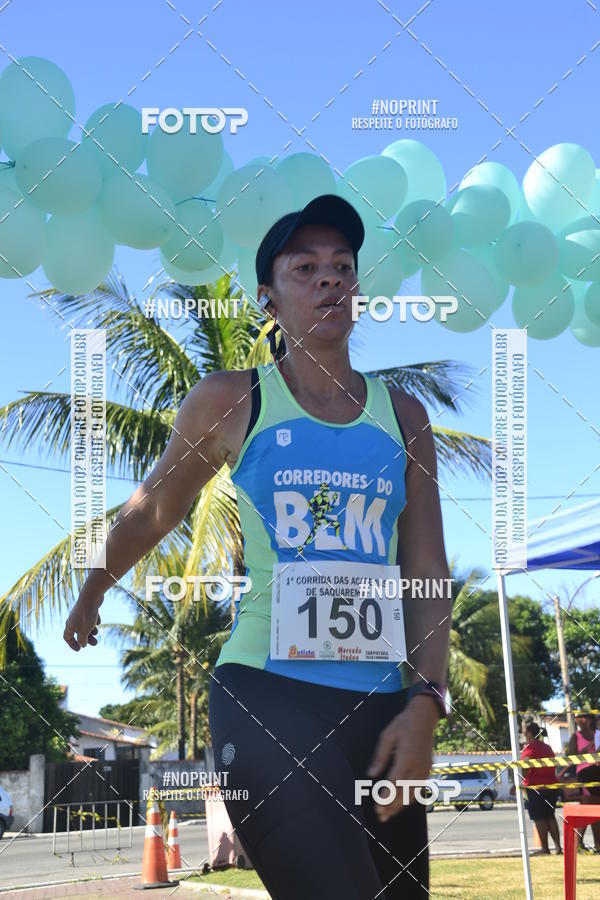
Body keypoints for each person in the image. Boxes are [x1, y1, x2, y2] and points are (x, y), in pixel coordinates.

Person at [63, 194, 452, 899]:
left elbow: (425, 569)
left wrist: (427, 700)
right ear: (269, 300)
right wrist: (95, 584)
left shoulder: (404, 415)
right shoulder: (232, 400)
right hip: (267, 697)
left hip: (384, 706)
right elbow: (153, 510)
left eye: (342, 266)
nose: (329, 279)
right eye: (305, 268)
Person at [517, 721, 562, 854]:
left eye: (525, 731)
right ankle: (558, 847)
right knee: (550, 817)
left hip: (536, 787)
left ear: (529, 733)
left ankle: (545, 848)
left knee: (539, 818)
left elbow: (525, 765)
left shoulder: (530, 747)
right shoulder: (546, 747)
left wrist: (523, 779)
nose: (523, 733)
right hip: (551, 786)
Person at [568, 711, 600, 852]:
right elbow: (571, 757)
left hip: (597, 774)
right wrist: (588, 750)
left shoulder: (597, 734)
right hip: (584, 774)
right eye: (579, 718)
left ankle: (597, 844)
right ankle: (578, 844)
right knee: (587, 809)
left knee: (597, 811)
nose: (582, 721)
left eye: (585, 718)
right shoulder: (576, 736)